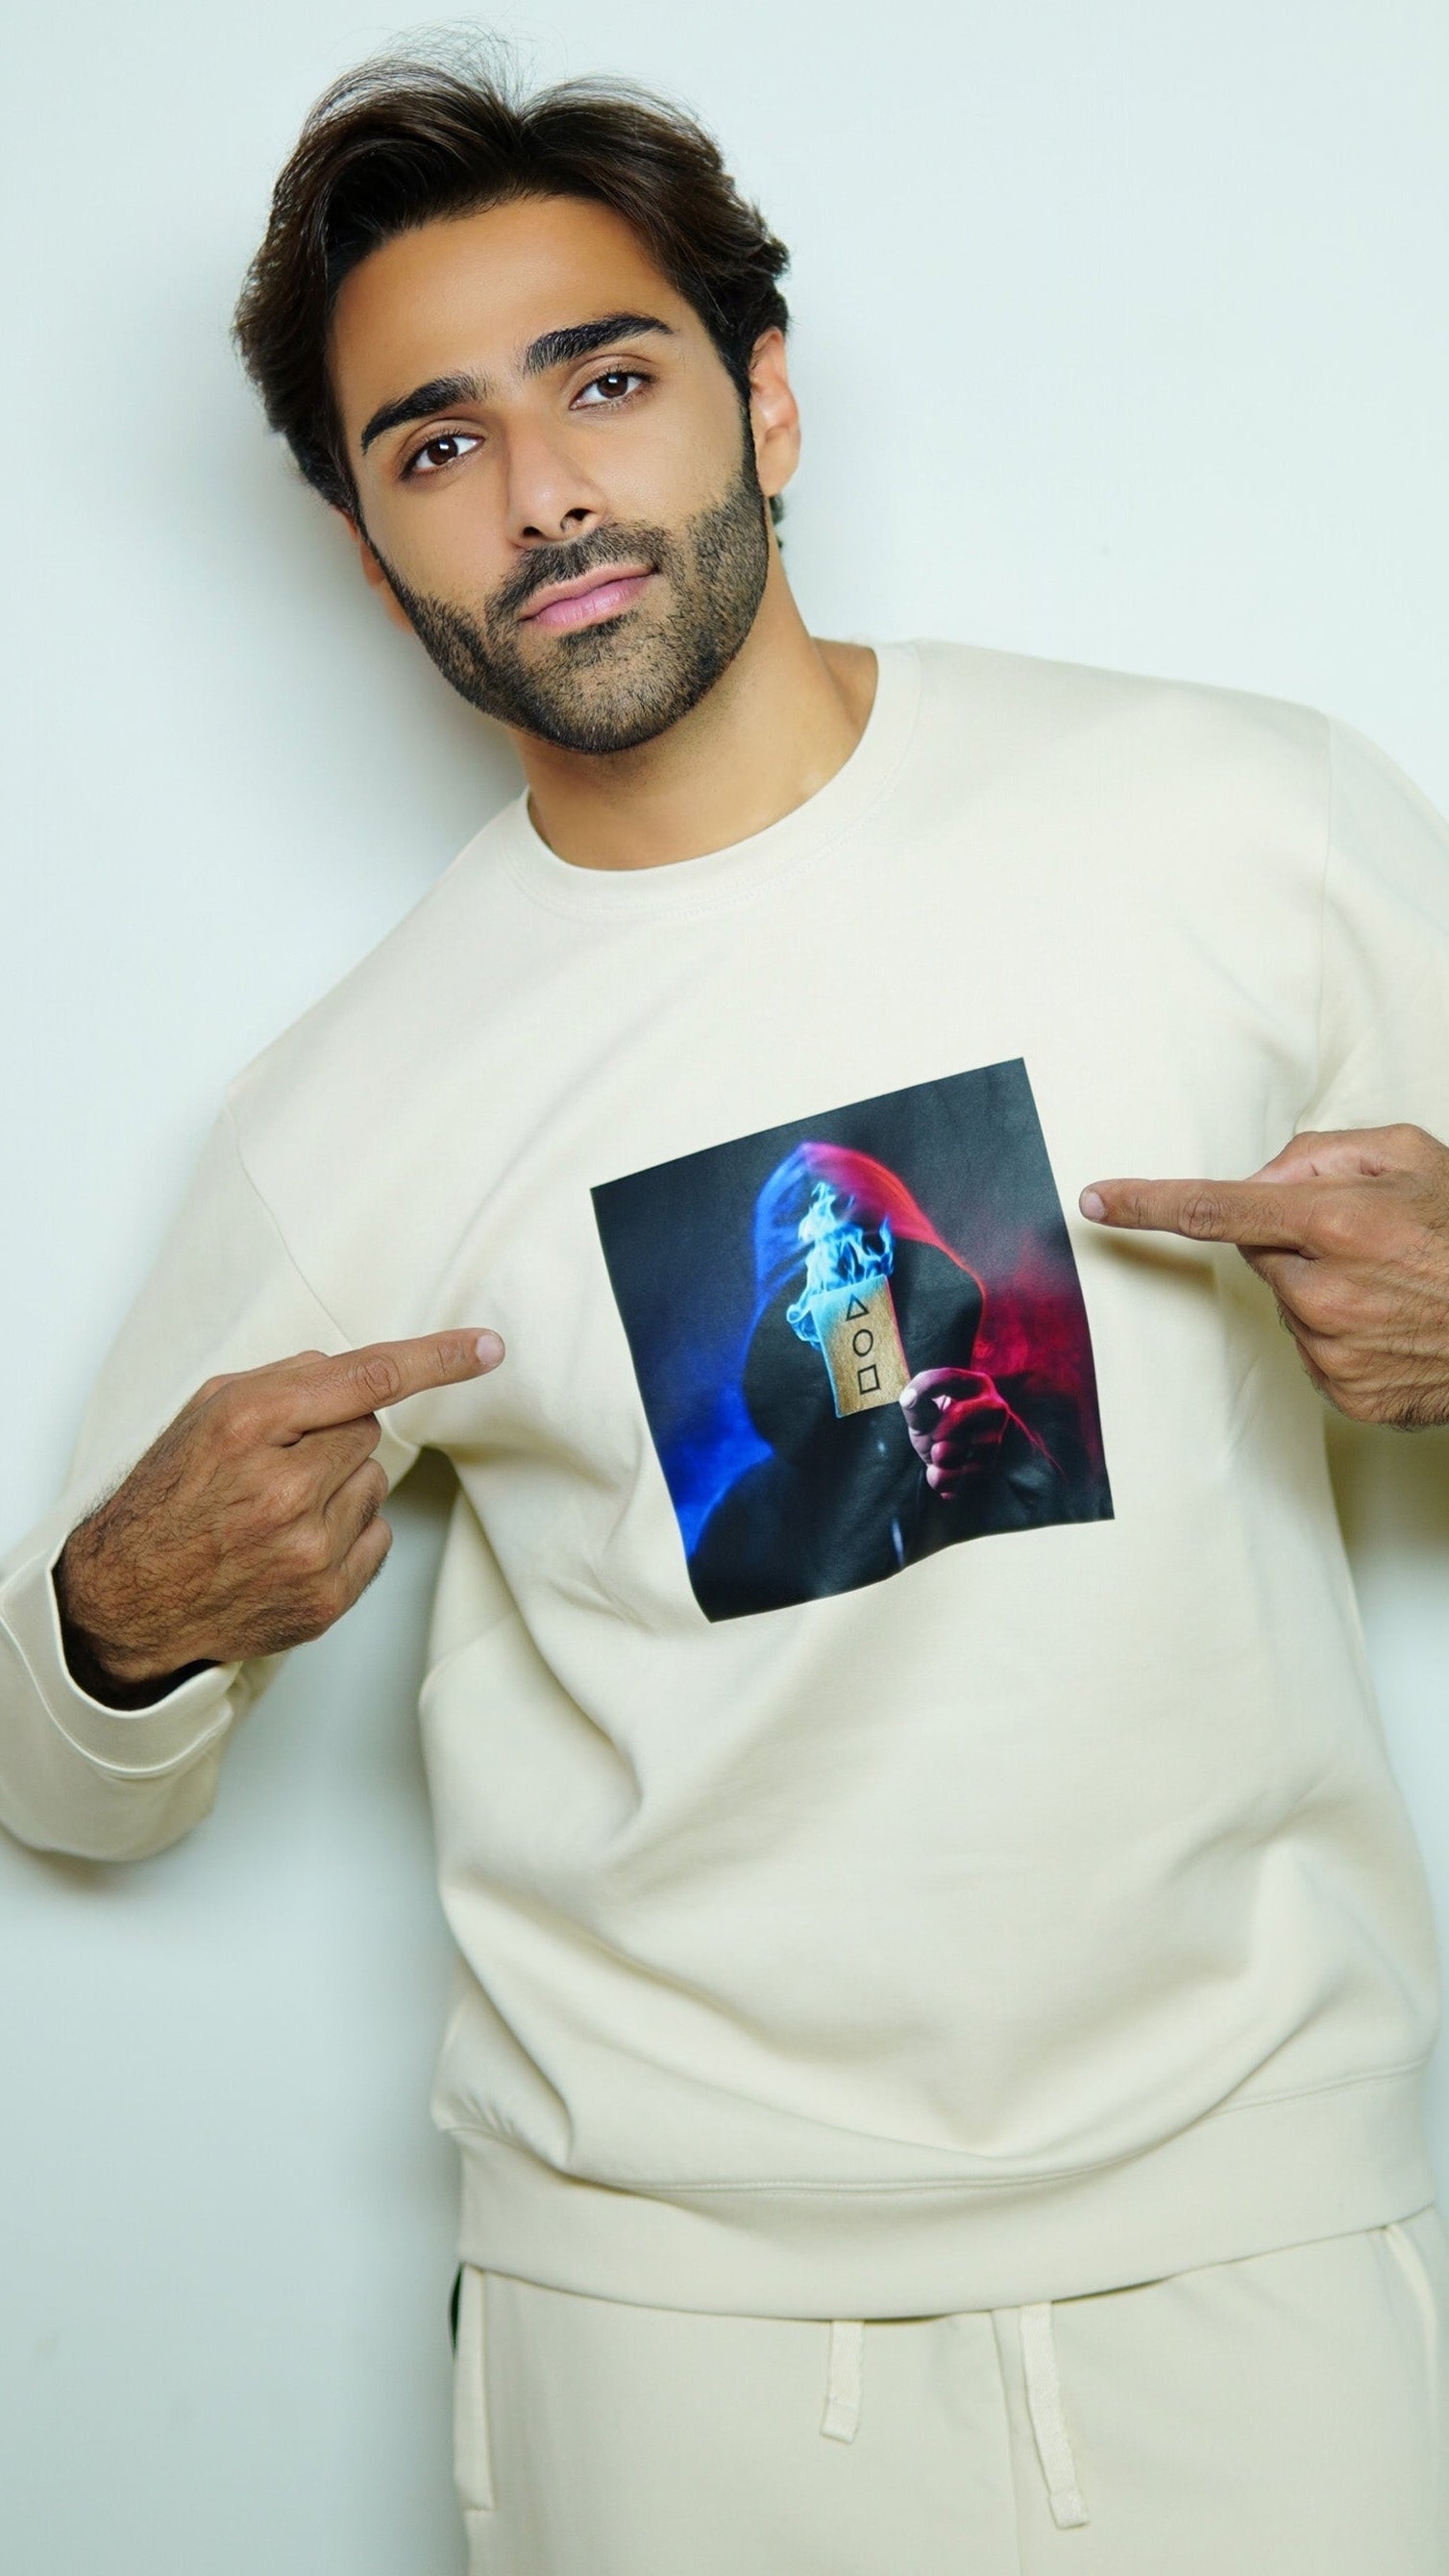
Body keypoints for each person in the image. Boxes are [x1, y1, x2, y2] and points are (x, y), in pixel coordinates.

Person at [5, 43, 1449, 2574]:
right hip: (665, 2340)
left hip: (1268, 2236)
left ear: (759, 392)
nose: (547, 489)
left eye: (607, 376)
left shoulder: (1243, 823)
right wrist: (119, 1625)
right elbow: (59, 1762)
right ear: (370, 556)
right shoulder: (345, 1108)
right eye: (434, 445)